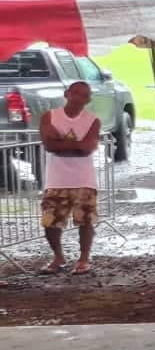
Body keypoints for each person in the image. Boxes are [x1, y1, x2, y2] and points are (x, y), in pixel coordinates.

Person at [38, 80, 99, 276]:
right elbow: (49, 144)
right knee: (50, 221)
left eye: (84, 95)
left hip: (84, 178)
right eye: (76, 93)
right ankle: (58, 256)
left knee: (85, 220)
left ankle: (84, 258)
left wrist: (61, 141)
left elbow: (87, 148)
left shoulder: (92, 120)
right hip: (56, 179)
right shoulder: (50, 116)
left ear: (88, 99)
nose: (79, 98)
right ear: (67, 94)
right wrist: (74, 143)